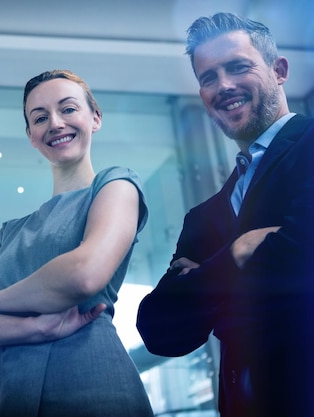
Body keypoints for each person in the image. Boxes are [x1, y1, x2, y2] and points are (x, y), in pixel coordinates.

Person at [0, 69, 153, 417]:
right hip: (17, 398)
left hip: (97, 386)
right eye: (40, 118)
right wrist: (34, 326)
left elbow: (84, 273)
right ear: (31, 136)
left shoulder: (116, 185)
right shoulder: (9, 232)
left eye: (68, 109)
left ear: (94, 118)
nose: (55, 123)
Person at [136, 12, 314, 417]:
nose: (224, 86)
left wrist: (204, 283)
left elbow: (302, 261)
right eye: (208, 77)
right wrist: (237, 254)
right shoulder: (203, 217)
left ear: (279, 70)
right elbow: (160, 329)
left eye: (237, 67)